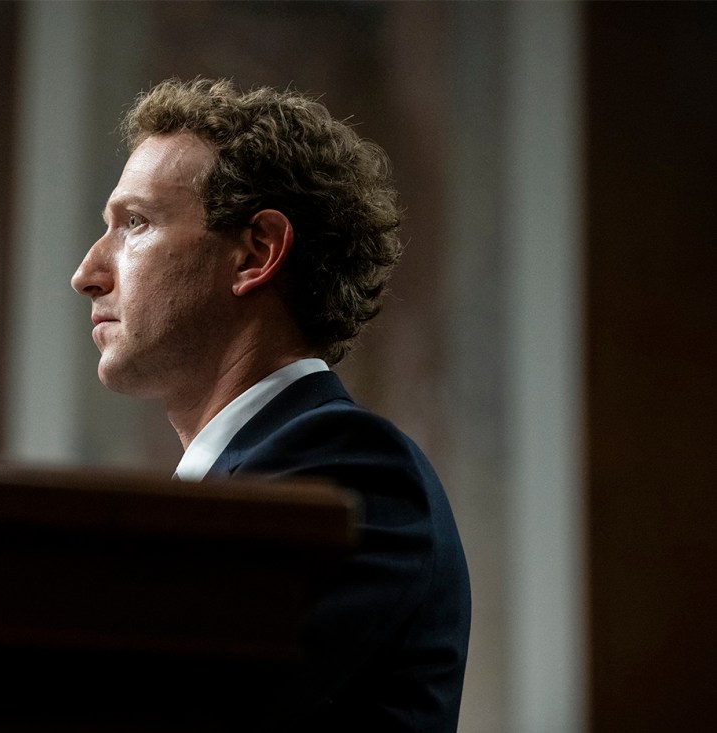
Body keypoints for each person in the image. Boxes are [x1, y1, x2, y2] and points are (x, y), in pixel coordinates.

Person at [71, 78, 470, 732]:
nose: (87, 272)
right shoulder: (249, 477)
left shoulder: (352, 475)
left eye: (135, 223)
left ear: (255, 252)